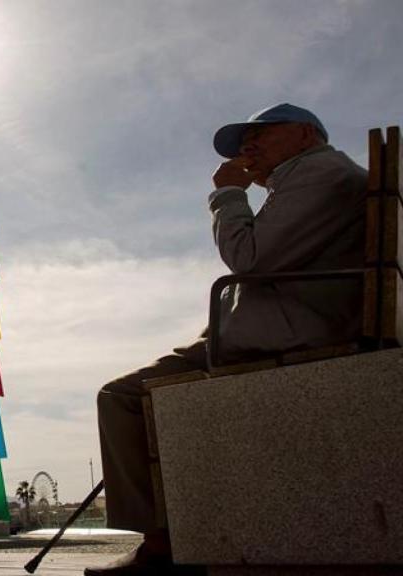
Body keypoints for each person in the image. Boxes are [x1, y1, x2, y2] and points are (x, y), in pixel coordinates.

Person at [87, 103, 368, 576]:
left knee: (121, 397)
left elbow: (248, 257)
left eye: (261, 134)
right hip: (288, 325)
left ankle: (160, 545)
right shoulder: (315, 176)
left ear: (305, 133)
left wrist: (228, 195)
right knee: (142, 390)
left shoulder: (320, 174)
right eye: (243, 144)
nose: (248, 148)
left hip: (290, 334)